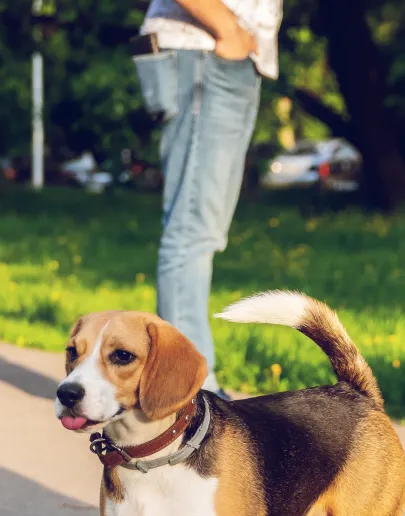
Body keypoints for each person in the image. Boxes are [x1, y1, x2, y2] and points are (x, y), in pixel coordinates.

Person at [135, 0, 282, 397]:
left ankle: (184, 385)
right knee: (192, 231)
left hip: (223, 55)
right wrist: (228, 29)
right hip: (206, 51)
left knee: (202, 231)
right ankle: (190, 390)